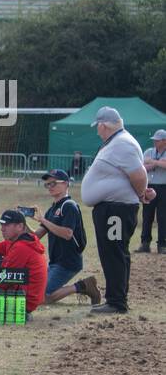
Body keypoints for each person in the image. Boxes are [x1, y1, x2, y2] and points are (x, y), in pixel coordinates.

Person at [81, 107, 156, 314]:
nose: (97, 131)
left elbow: (139, 175)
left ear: (104, 125)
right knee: (116, 253)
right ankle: (116, 298)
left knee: (113, 253)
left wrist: (141, 194)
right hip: (113, 207)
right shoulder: (118, 142)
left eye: (98, 127)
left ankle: (116, 301)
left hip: (116, 209)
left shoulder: (122, 143)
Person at [31, 170, 101, 306]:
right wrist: (22, 223)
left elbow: (67, 234)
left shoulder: (69, 206)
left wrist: (44, 221)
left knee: (42, 297)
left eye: (53, 183)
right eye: (47, 184)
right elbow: (36, 236)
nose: (50, 187)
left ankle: (83, 286)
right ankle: (84, 285)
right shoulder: (52, 209)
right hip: (56, 262)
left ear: (65, 184)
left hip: (68, 262)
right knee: (35, 292)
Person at [137, 129, 166, 254]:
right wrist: (157, 164)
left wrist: (153, 162)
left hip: (164, 187)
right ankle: (145, 243)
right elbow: (142, 166)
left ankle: (162, 245)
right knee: (147, 215)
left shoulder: (151, 155)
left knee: (162, 217)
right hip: (149, 185)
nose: (154, 142)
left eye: (157, 140)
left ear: (164, 141)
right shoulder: (149, 151)